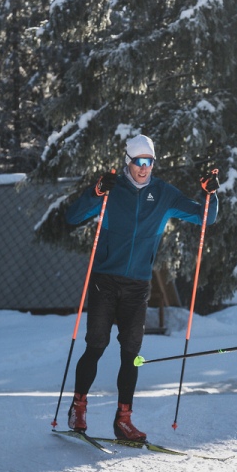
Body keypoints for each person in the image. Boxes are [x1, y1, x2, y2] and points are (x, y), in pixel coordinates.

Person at [66, 134, 219, 441]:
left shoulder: (163, 194)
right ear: (128, 162)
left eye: (149, 162)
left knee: (131, 353)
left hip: (138, 285)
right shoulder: (111, 189)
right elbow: (73, 216)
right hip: (105, 280)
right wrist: (95, 193)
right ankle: (78, 407)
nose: (144, 168)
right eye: (138, 162)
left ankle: (123, 419)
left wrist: (210, 194)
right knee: (96, 346)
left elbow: (207, 218)